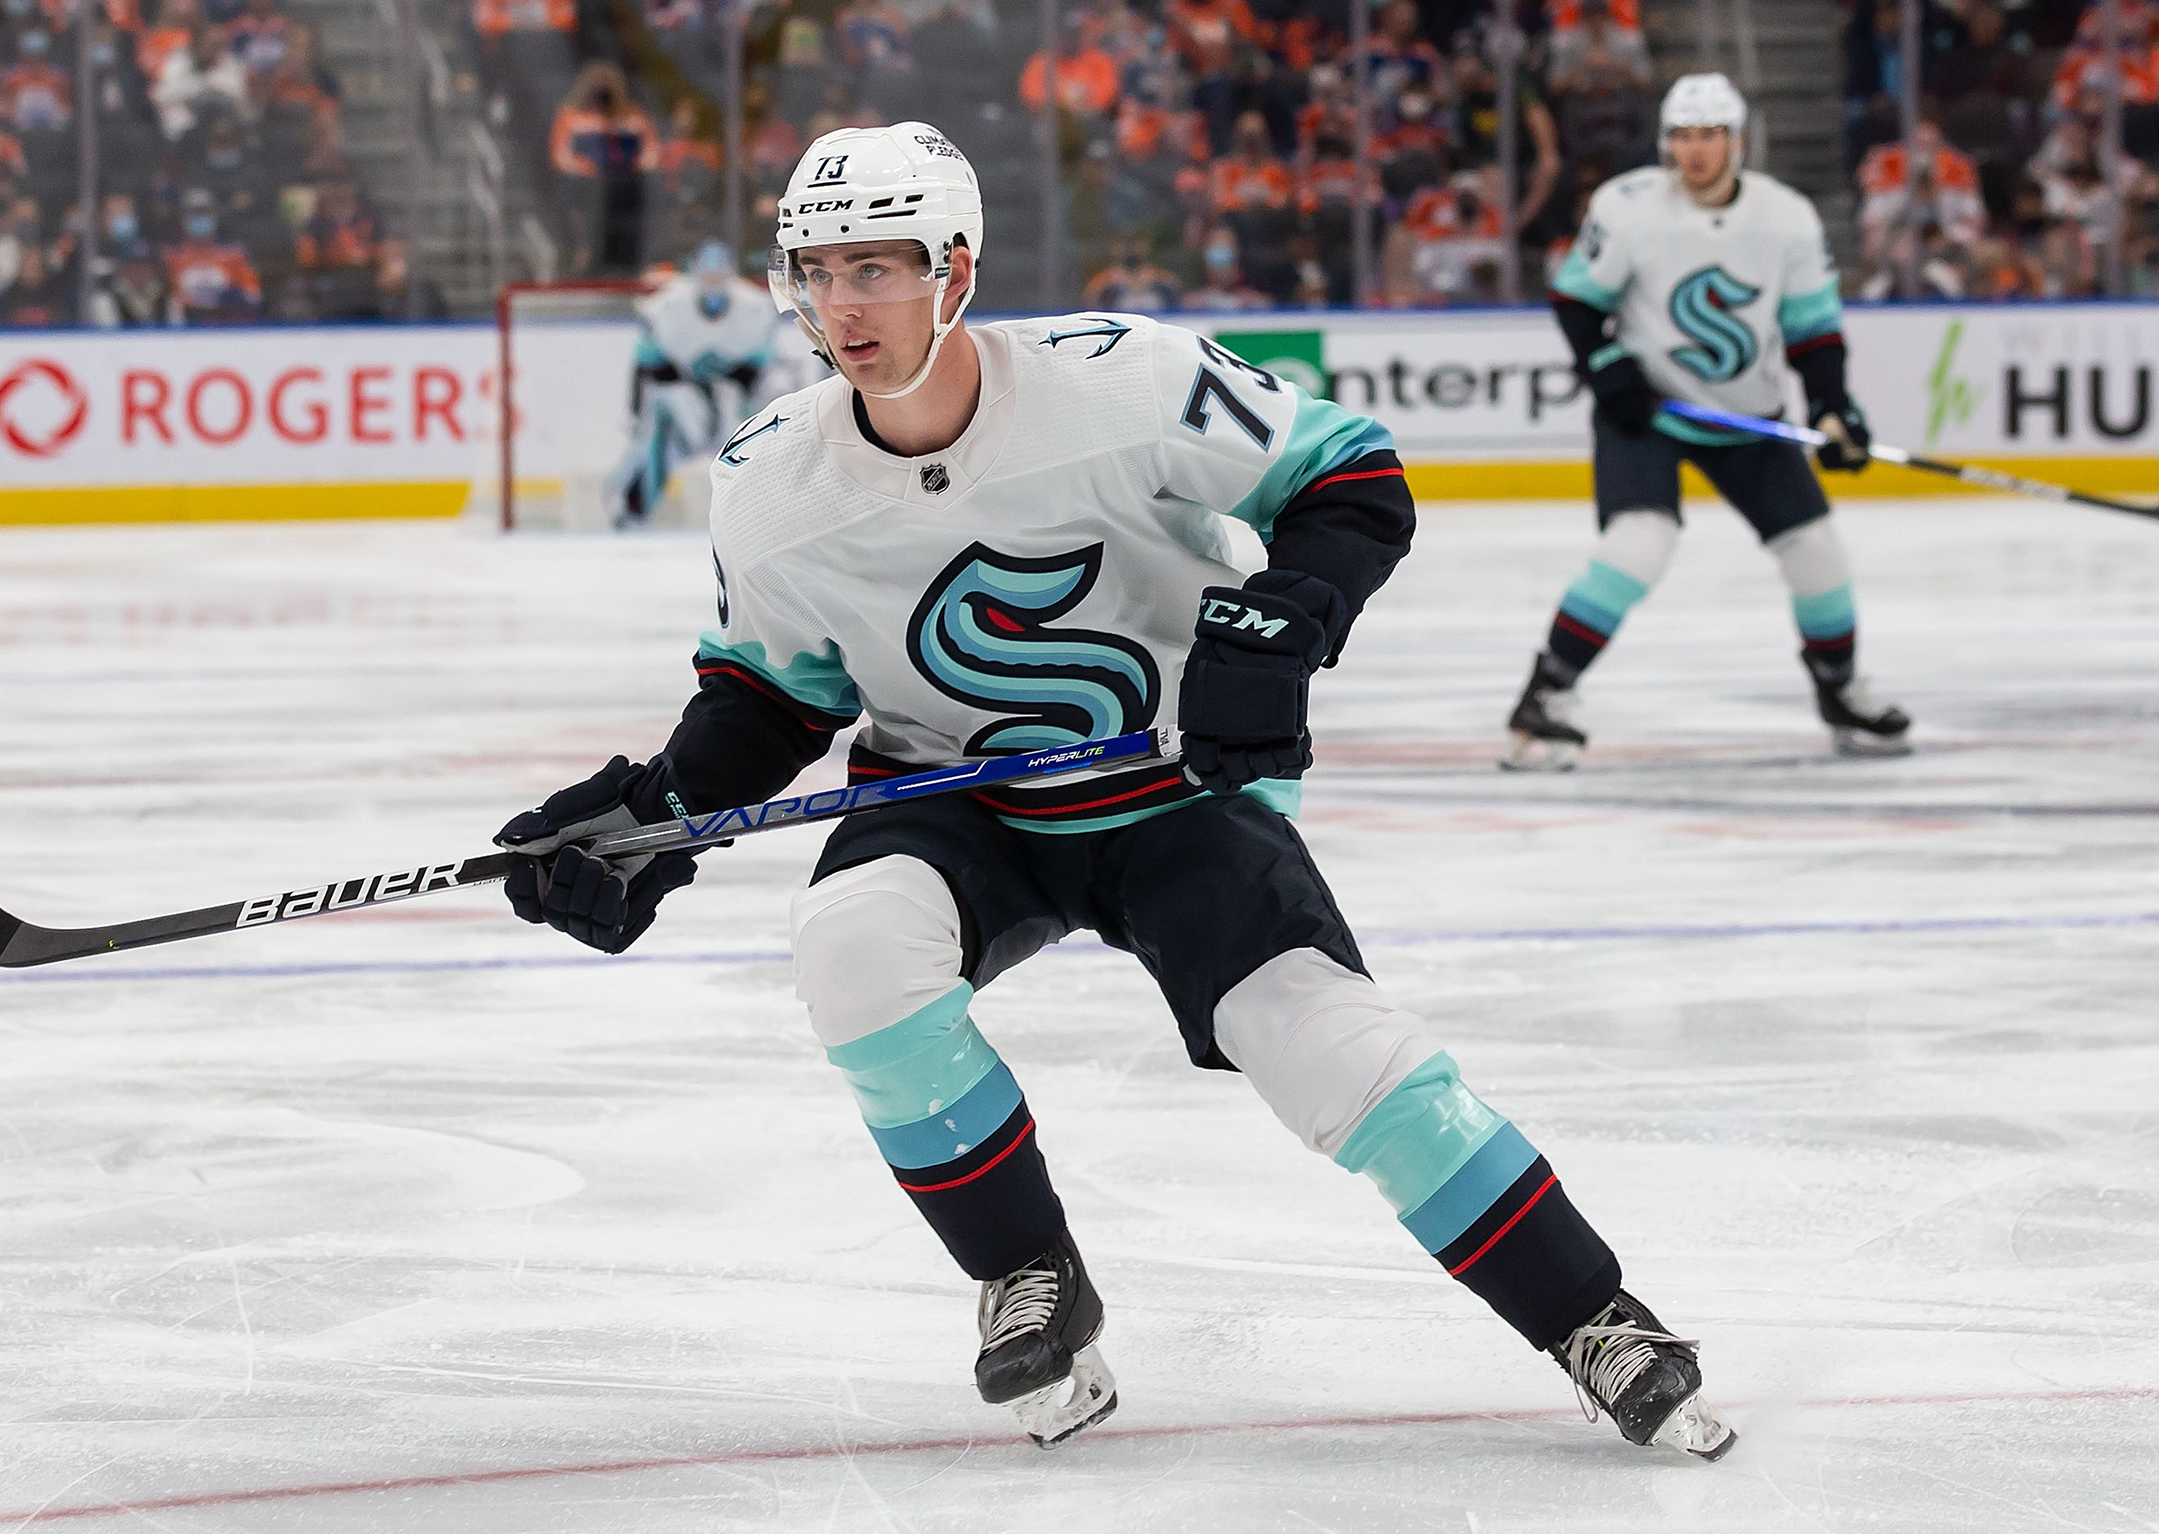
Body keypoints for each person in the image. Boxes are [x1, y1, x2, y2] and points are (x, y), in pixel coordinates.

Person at [494, 120, 1738, 1462]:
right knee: (850, 947)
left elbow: (1353, 477)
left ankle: (1589, 1315)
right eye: (817, 271)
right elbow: (772, 698)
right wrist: (650, 816)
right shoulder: (767, 484)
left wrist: (1277, 628)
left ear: (955, 271)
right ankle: (1029, 1272)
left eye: (878, 268)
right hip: (950, 801)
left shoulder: (1125, 382)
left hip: (1174, 790)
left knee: (1323, 1045)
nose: (843, 306)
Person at [1509, 73, 1910, 769]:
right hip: (1650, 414)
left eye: (1709, 136)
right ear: (1667, 142)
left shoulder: (1786, 217)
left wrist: (1832, 407)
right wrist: (1610, 369)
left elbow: (1813, 330)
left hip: (1749, 420)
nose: (1695, 151)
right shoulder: (1630, 207)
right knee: (1639, 545)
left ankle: (1840, 690)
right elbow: (1576, 301)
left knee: (1818, 554)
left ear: (1737, 141)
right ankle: (1546, 695)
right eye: (1683, 136)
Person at [608, 239, 784, 527]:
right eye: (706, 276)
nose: (712, 284)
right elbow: (647, 366)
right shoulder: (665, 308)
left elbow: (760, 373)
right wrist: (637, 411)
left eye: (718, 276)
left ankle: (768, 515)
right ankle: (633, 508)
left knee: (762, 449)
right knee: (662, 429)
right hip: (685, 400)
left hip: (734, 402)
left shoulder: (756, 309)